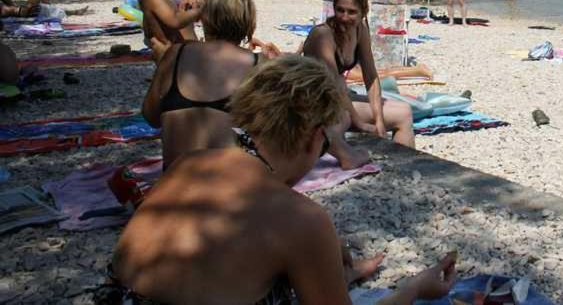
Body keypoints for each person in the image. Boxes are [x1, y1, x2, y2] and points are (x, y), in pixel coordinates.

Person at [108, 55, 456, 304]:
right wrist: (414, 289)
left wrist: (332, 273)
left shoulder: (189, 165)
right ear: (314, 137)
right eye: (325, 148)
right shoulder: (300, 219)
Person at [142, 0, 266, 169]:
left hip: (175, 184)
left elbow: (151, 116)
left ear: (204, 20)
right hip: (230, 182)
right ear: (248, 26)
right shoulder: (258, 64)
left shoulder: (175, 55)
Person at [303, 0, 415, 168]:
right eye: (340, 10)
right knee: (402, 114)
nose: (344, 17)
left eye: (351, 12)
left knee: (403, 108)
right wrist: (360, 123)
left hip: (339, 97)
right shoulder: (323, 35)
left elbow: (370, 74)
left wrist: (379, 119)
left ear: (363, 13)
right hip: (317, 101)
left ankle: (402, 166)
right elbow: (334, 84)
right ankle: (402, 169)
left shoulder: (360, 29)